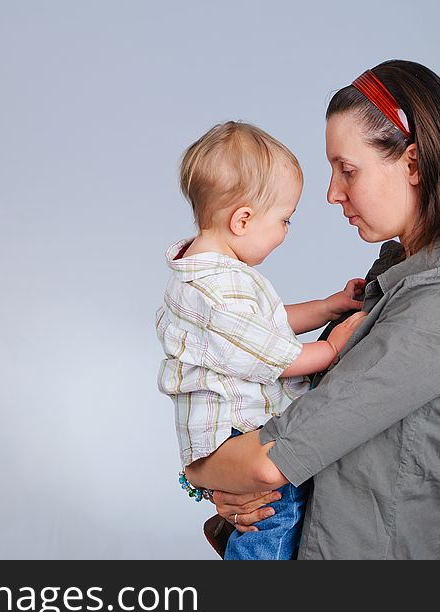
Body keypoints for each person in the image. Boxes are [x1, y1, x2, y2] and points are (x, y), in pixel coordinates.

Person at [184, 60, 440, 560]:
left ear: (412, 164)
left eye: (348, 170)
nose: (332, 192)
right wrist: (235, 490)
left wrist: (199, 469)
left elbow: (276, 457)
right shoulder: (400, 275)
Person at [156, 121, 368, 559]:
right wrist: (330, 349)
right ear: (244, 219)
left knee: (267, 522)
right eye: (285, 219)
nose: (287, 230)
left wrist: (327, 307)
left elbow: (265, 326)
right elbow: (269, 353)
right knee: (275, 520)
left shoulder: (208, 274)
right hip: (236, 428)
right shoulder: (219, 287)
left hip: (225, 432)